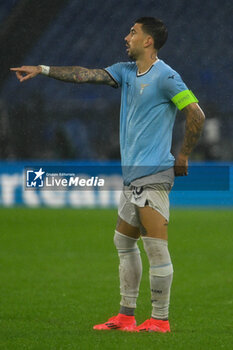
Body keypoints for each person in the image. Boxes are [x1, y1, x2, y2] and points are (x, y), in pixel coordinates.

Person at [11, 17, 205, 333]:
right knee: (123, 242)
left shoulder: (166, 77)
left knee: (155, 247)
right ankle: (126, 316)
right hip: (132, 177)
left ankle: (160, 320)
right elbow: (86, 76)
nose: (125, 36)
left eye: (133, 32)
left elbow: (195, 112)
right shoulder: (125, 72)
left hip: (152, 172)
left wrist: (183, 155)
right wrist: (43, 70)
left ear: (148, 41)